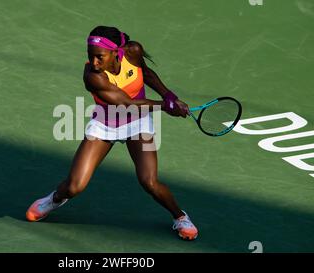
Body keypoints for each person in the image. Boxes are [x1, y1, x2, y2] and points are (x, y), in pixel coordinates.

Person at [26, 26, 198, 240]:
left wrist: (170, 96)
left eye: (99, 57)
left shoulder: (133, 51)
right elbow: (126, 104)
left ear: (116, 52)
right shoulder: (93, 76)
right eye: (90, 56)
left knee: (149, 182)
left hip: (138, 124)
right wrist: (165, 106)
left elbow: (147, 74)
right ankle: (53, 199)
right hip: (105, 125)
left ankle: (180, 216)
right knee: (74, 186)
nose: (94, 63)